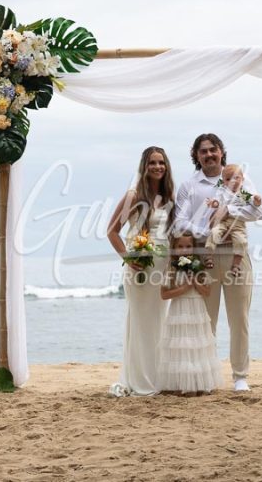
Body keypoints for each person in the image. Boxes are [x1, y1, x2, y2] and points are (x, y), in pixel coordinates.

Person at [174, 134, 262, 392]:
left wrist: (228, 214)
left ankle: (240, 377)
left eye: (213, 150)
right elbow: (179, 222)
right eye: (203, 152)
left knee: (239, 318)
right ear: (196, 155)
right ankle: (208, 375)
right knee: (206, 319)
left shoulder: (239, 178)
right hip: (207, 255)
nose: (209, 155)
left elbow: (260, 211)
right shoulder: (189, 186)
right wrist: (207, 230)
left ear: (221, 151)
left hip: (236, 254)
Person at [107, 146, 175, 396]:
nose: (158, 167)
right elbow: (112, 231)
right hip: (140, 270)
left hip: (162, 269)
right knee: (140, 322)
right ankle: (138, 380)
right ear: (144, 167)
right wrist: (128, 256)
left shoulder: (170, 197)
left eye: (161, 163)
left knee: (159, 322)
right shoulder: (133, 196)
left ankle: (158, 376)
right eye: (152, 163)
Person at [157, 232, 223, 394]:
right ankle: (181, 383)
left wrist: (195, 283)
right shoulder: (171, 268)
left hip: (196, 310)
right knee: (181, 345)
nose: (184, 250)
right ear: (174, 248)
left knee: (196, 345)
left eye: (188, 246)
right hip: (179, 310)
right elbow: (164, 295)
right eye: (180, 247)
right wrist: (183, 289)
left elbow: (207, 292)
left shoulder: (198, 267)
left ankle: (198, 383)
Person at [204, 164, 262, 277]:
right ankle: (209, 256)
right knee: (214, 232)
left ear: (242, 179)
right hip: (223, 220)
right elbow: (217, 201)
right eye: (228, 179)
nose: (233, 181)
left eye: (236, 178)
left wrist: (257, 201)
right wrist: (213, 203)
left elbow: (254, 204)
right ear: (224, 182)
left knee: (241, 241)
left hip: (238, 222)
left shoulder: (244, 193)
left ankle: (236, 265)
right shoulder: (222, 191)